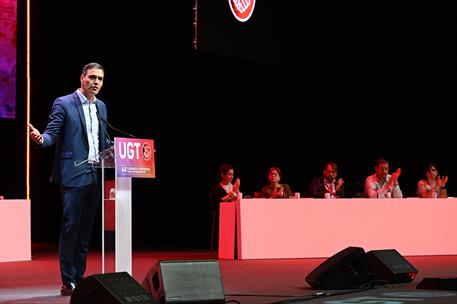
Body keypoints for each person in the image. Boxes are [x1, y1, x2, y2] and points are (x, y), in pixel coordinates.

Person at [29, 62, 111, 296]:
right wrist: (41, 139)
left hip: (96, 174)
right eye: (92, 77)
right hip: (73, 174)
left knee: (85, 231)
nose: (96, 82)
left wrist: (127, 151)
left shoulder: (101, 107)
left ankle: (80, 277)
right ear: (82, 78)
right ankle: (68, 281)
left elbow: (103, 141)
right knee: (71, 228)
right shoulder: (64, 103)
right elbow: (52, 133)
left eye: (100, 79)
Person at [208, 164, 240, 251]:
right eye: (229, 174)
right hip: (221, 213)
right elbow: (218, 202)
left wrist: (237, 190)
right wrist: (230, 194)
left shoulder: (233, 186)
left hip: (233, 213)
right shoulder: (216, 188)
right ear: (222, 175)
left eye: (232, 175)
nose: (231, 177)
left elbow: (238, 199)